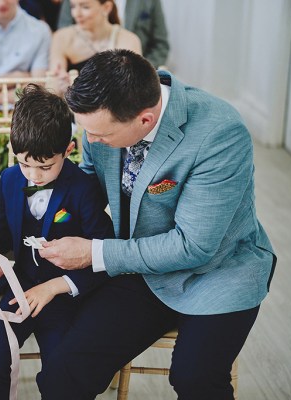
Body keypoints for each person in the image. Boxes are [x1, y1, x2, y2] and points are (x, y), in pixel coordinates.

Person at [36, 49, 276, 399]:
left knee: (195, 380)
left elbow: (193, 247)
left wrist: (94, 253)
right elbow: (86, 189)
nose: (91, 142)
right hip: (142, 270)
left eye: (100, 136)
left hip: (218, 271)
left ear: (145, 121)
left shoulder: (220, 132)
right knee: (64, 371)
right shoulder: (101, 122)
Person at [0, 84, 113, 399]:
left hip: (66, 297)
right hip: (20, 287)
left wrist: (61, 285)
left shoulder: (84, 189)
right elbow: (5, 233)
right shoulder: (8, 180)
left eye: (45, 166)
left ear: (69, 149)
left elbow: (104, 255)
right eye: (24, 163)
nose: (33, 175)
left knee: (63, 373)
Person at [57, 0, 169, 68]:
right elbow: (65, 28)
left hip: (133, 65)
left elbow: (161, 45)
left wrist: (142, 69)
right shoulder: (65, 36)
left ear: (107, 7)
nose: (77, 13)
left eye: (85, 7)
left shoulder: (130, 39)